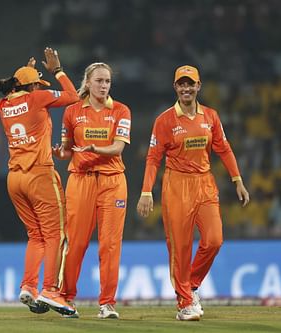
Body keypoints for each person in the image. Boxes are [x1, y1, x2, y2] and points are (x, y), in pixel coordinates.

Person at [136, 65, 250, 321]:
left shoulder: (210, 116)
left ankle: (191, 284)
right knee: (180, 247)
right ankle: (185, 303)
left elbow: (224, 148)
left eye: (191, 84)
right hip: (176, 185)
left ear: (199, 86)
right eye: (181, 84)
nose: (186, 88)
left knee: (214, 239)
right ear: (175, 87)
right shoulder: (164, 120)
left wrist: (237, 180)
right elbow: (153, 158)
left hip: (205, 182)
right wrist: (146, 191)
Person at [0, 47, 79, 316]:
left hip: (14, 178)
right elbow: (73, 97)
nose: (39, 89)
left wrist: (26, 73)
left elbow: (16, 91)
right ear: (31, 86)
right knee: (56, 235)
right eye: (36, 85)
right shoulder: (37, 99)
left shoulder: (3, 105)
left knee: (36, 235)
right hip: (39, 174)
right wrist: (57, 71)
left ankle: (28, 286)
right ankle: (51, 290)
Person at [53, 62, 131, 319]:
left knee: (110, 245)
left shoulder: (121, 110)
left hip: (113, 182)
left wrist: (95, 149)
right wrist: (60, 152)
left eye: (107, 81)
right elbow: (67, 150)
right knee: (76, 242)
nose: (104, 85)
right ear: (87, 82)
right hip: (81, 181)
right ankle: (66, 299)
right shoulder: (72, 112)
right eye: (99, 81)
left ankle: (107, 303)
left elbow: (118, 148)